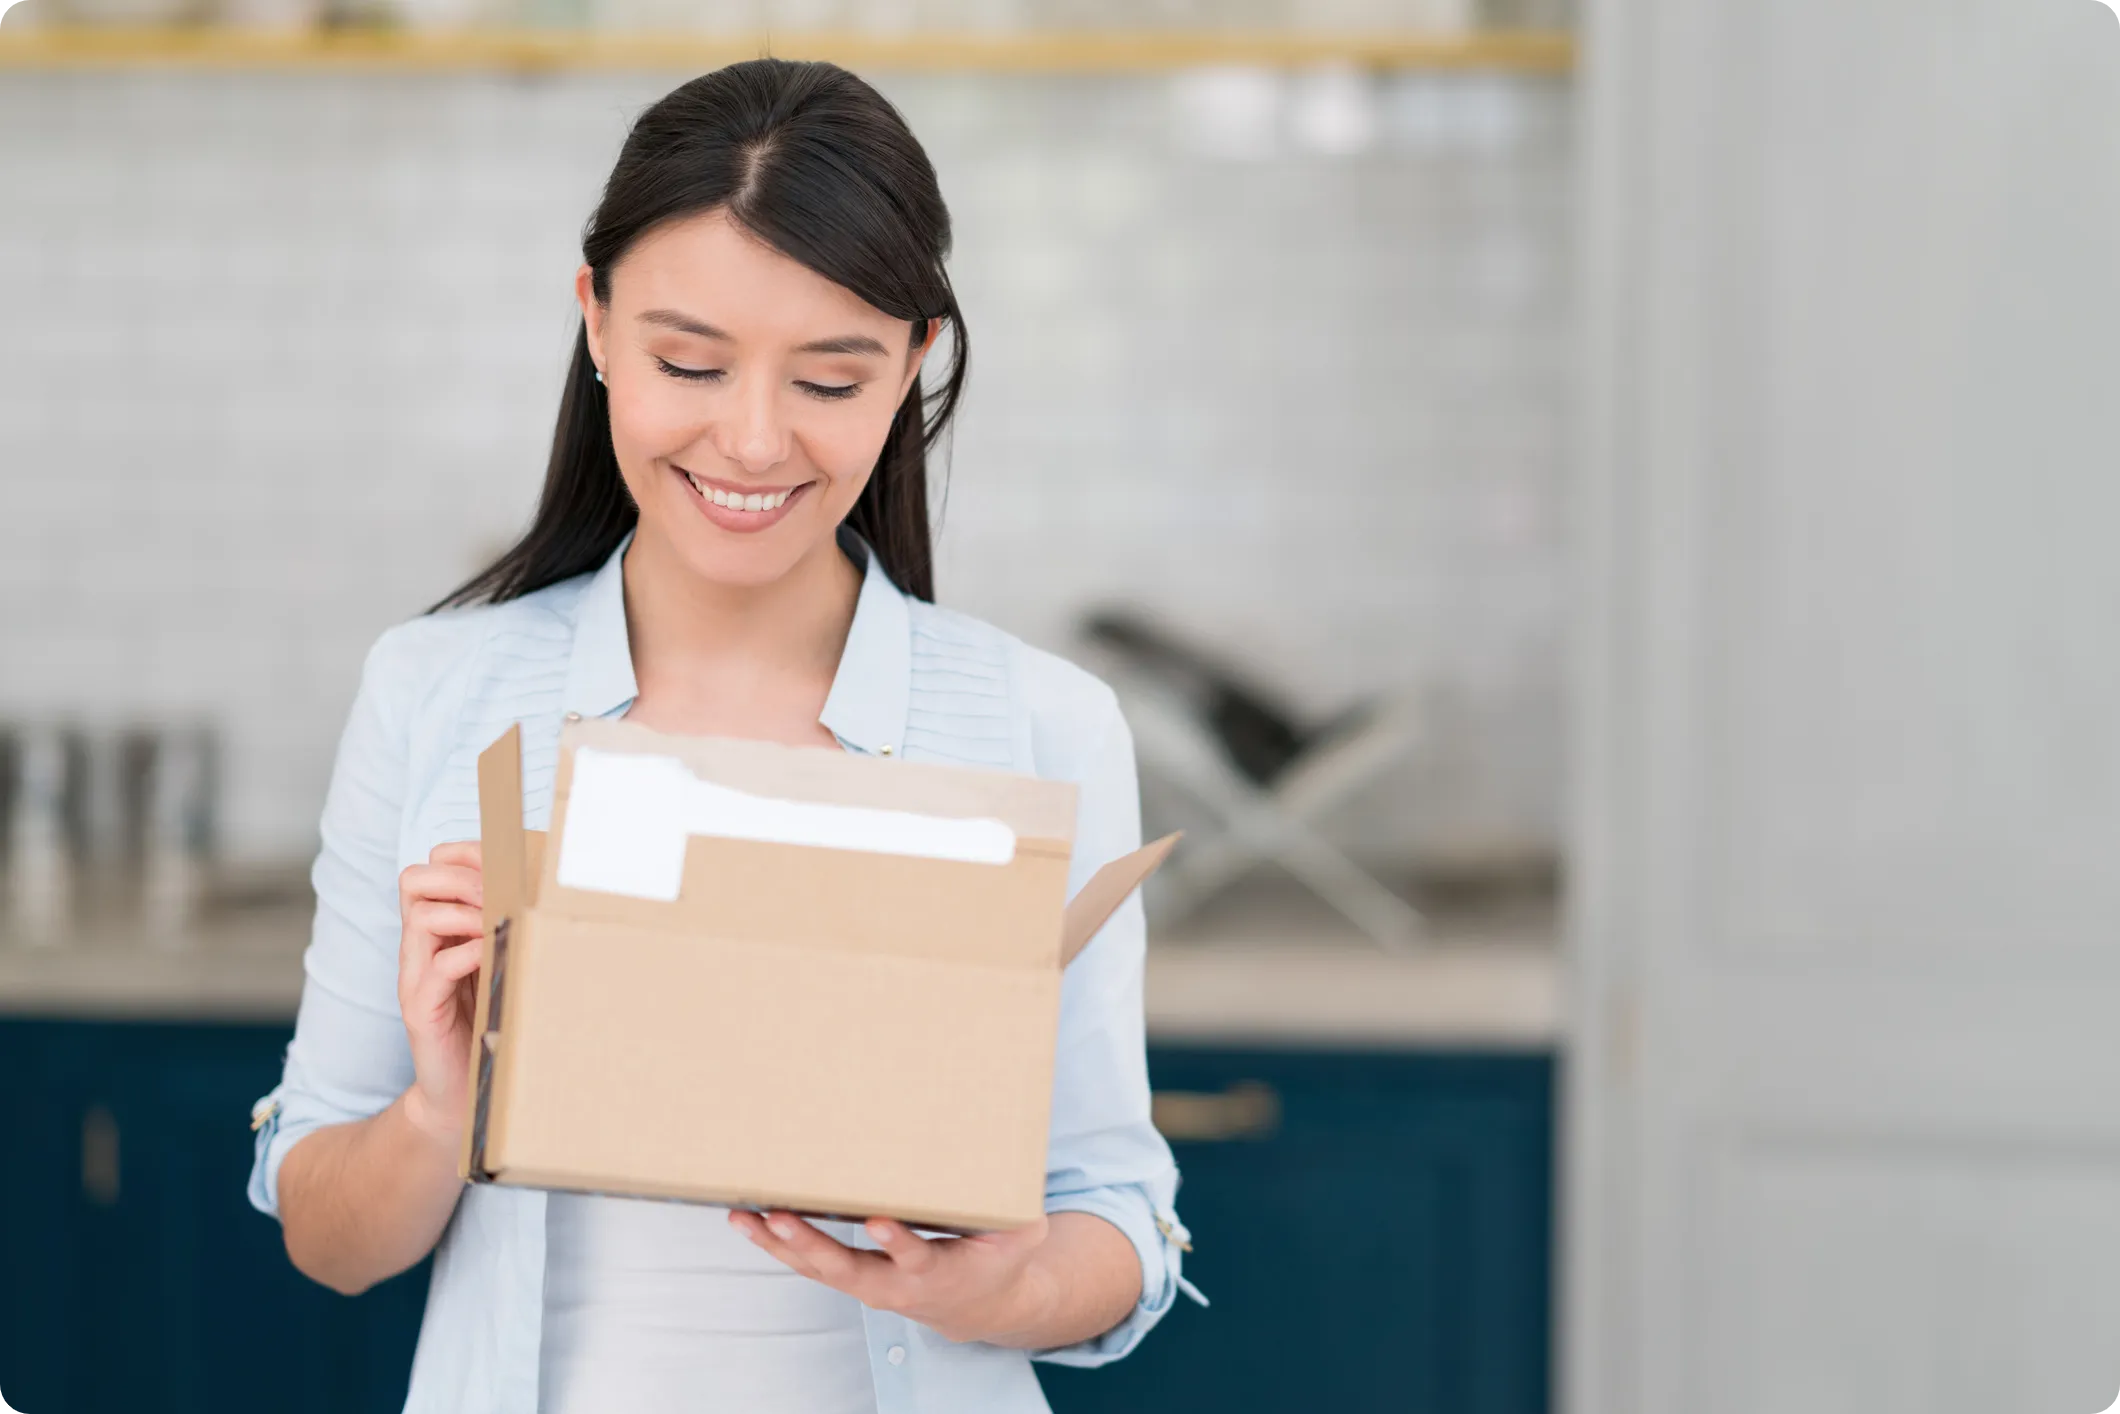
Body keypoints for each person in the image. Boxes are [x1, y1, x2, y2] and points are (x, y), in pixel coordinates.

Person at [243, 58, 1196, 1414]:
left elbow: (1118, 1211)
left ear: (916, 361)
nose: (751, 441)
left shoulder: (1040, 726)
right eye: (690, 361)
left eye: (831, 377)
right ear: (597, 322)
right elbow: (327, 1239)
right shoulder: (436, 695)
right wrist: (443, 1108)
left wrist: (1000, 1289)